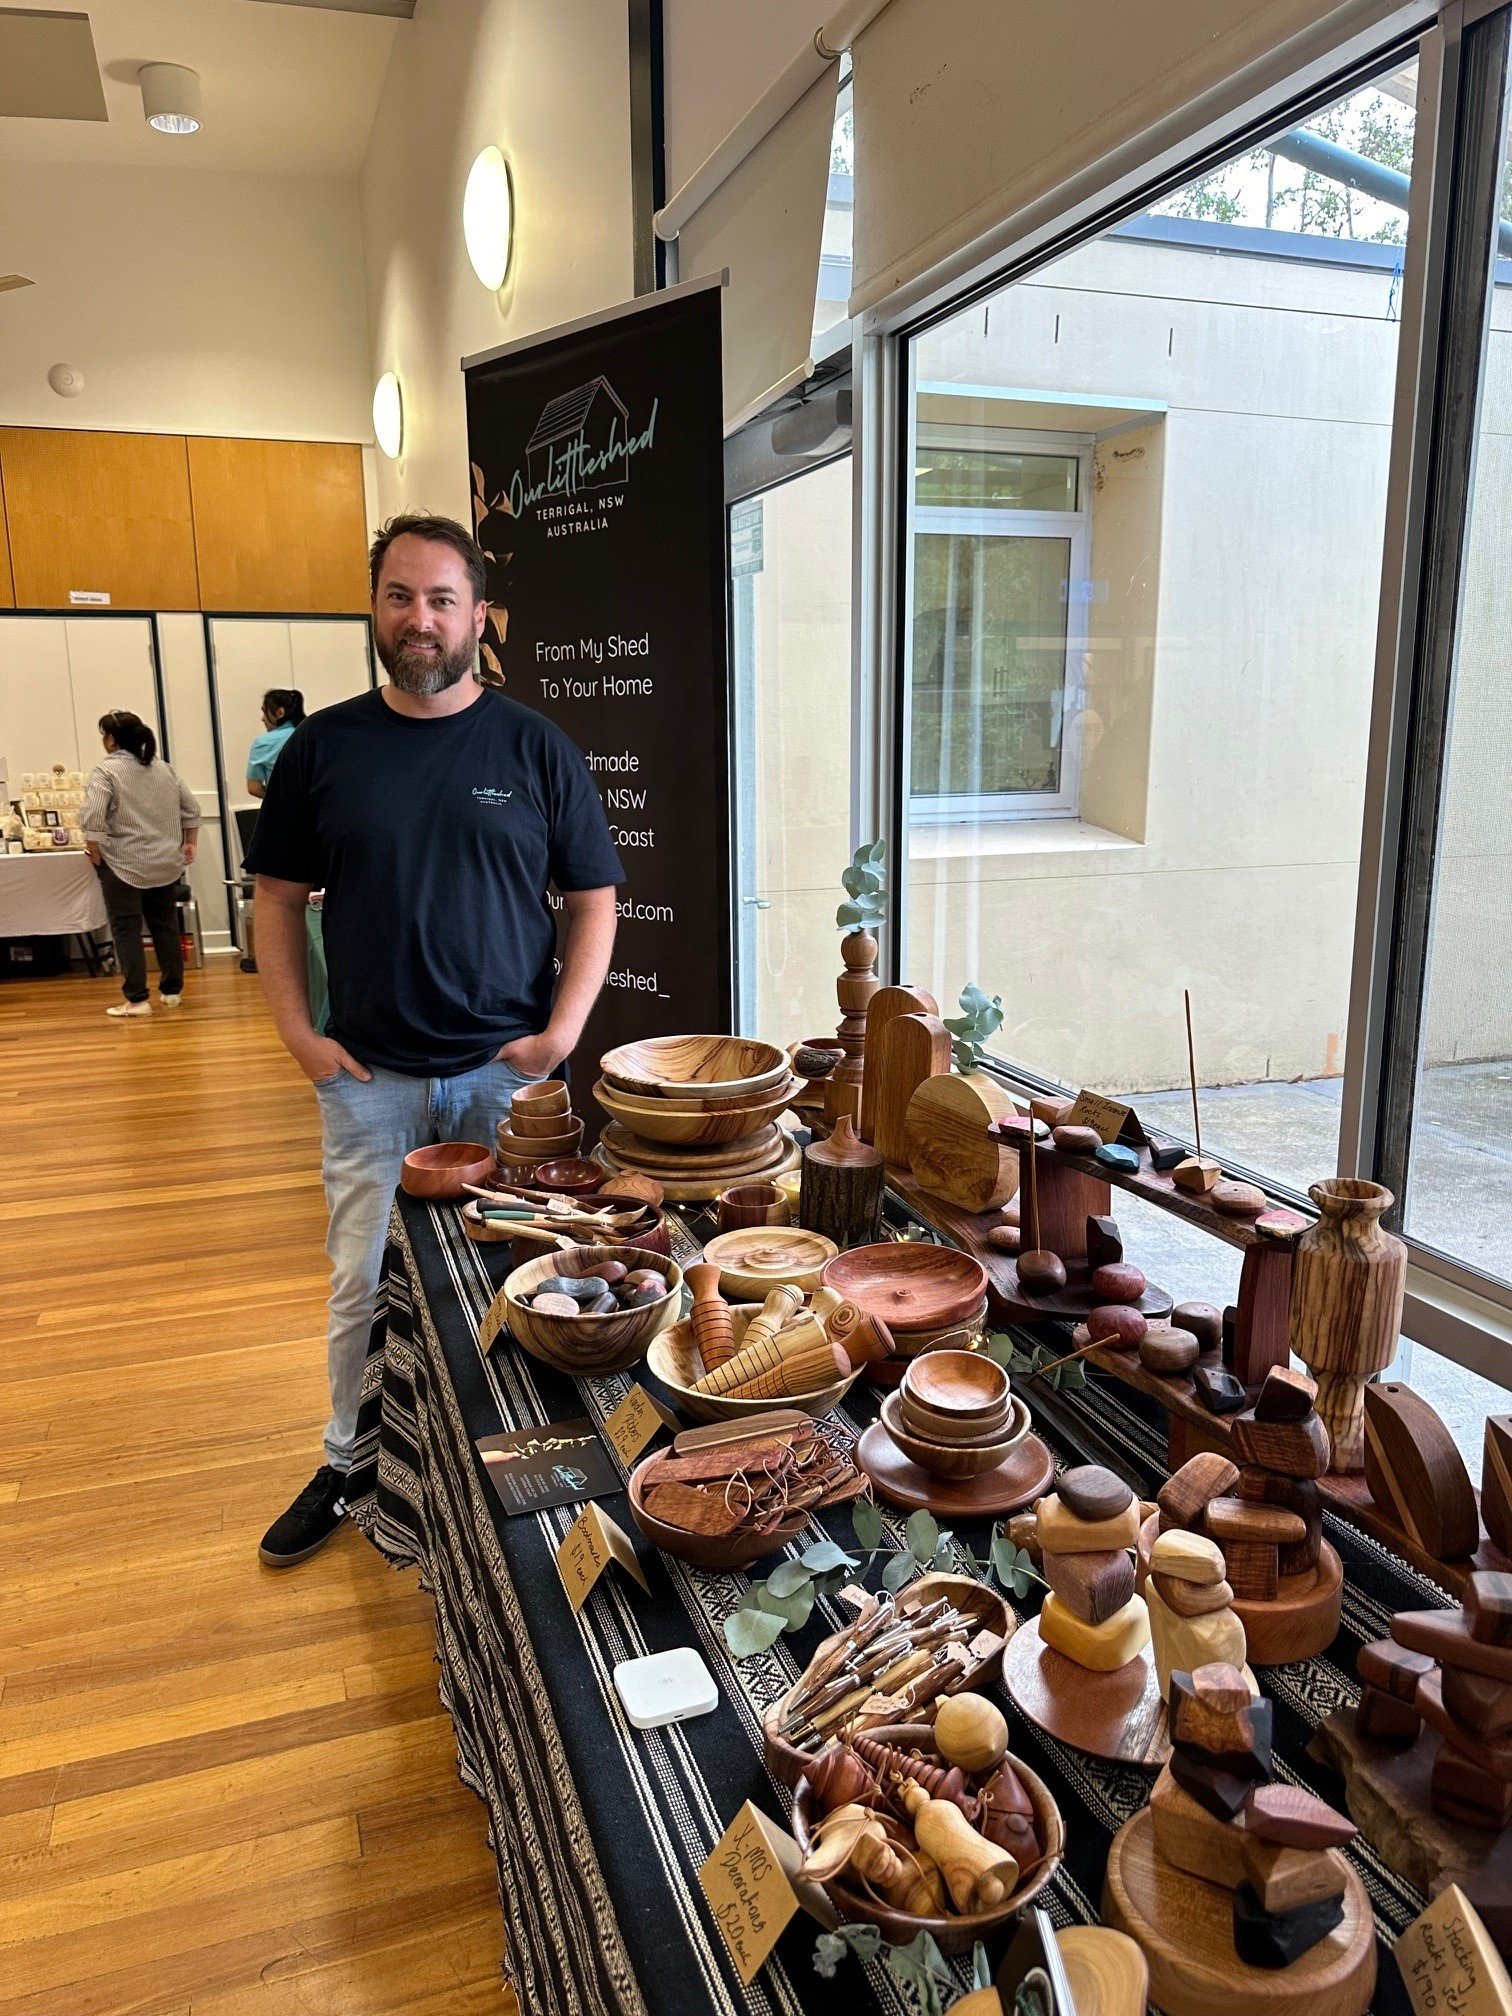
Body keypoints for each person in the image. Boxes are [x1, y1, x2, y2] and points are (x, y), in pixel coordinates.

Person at [246, 512, 622, 1567]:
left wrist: (560, 1034)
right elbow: (275, 900)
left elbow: (594, 899)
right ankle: (347, 1459)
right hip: (369, 1082)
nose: (421, 619)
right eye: (401, 596)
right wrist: (300, 1037)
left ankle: (519, 1465)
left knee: (526, 1277)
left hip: (503, 1081)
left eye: (443, 598)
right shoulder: (324, 748)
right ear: (375, 609)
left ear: (479, 616)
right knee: (364, 1283)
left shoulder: (533, 744)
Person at [81, 712, 201, 1020]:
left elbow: (93, 819)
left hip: (123, 864)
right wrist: (190, 843)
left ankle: (136, 1000)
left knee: (127, 929)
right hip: (165, 863)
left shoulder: (106, 771)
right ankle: (172, 992)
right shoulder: (164, 769)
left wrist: (93, 850)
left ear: (111, 739)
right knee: (166, 926)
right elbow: (192, 809)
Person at [245, 688, 305, 800]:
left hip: (283, 814)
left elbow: (254, 788)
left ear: (280, 713)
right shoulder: (310, 734)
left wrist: (277, 801)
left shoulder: (263, 743)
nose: (263, 718)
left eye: (265, 712)